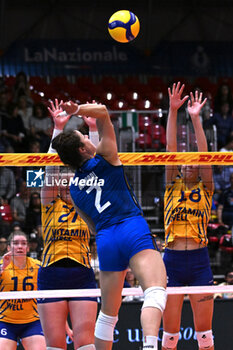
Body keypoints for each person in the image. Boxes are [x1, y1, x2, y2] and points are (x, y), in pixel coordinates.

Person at [52, 100, 167, 350]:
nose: (87, 136)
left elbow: (92, 227)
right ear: (84, 149)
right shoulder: (106, 157)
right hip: (131, 226)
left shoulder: (73, 187)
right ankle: (149, 346)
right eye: (84, 135)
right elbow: (103, 112)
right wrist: (78, 111)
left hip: (106, 239)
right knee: (155, 291)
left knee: (108, 314)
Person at [38, 99, 98, 350]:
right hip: (51, 273)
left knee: (85, 343)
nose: (64, 183)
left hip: (81, 272)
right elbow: (51, 170)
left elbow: (97, 167)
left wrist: (93, 129)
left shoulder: (87, 204)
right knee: (55, 344)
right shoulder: (50, 204)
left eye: (68, 179)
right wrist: (58, 129)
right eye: (60, 181)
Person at [162, 82, 214, 350]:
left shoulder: (206, 188)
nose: (189, 161)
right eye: (184, 159)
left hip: (199, 260)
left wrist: (196, 119)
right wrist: (173, 112)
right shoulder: (172, 183)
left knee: (204, 338)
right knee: (170, 338)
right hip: (171, 261)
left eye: (194, 159)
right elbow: (171, 148)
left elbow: (205, 156)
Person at [0, 231, 46, 350]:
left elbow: (53, 292)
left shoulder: (38, 267)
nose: (20, 246)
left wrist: (66, 328)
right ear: (9, 247)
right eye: (15, 243)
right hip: (5, 321)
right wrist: (3, 268)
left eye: (23, 243)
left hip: (32, 321)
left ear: (28, 247)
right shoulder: (1, 265)